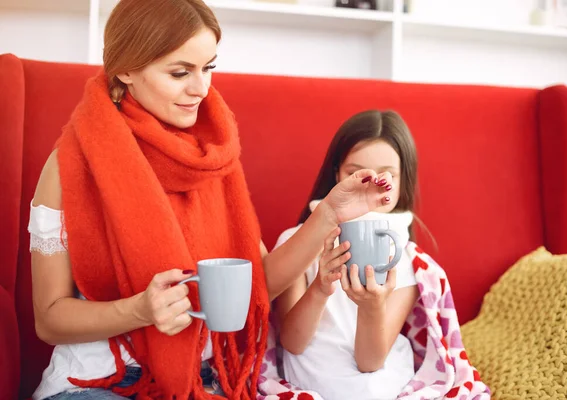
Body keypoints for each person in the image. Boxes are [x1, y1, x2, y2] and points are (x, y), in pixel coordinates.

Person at [28, 1, 394, 399]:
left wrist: (329, 214)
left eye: (208, 68)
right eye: (180, 72)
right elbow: (49, 319)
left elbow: (257, 284)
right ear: (126, 69)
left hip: (202, 383)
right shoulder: (68, 166)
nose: (200, 88)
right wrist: (138, 311)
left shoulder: (212, 158)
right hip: (97, 381)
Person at [275, 110, 421, 400]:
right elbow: (292, 343)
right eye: (356, 173)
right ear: (336, 174)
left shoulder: (405, 258)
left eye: (387, 175)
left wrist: (371, 307)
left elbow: (370, 363)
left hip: (374, 370)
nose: (370, 185)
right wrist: (319, 288)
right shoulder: (295, 242)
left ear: (403, 180)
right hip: (312, 367)